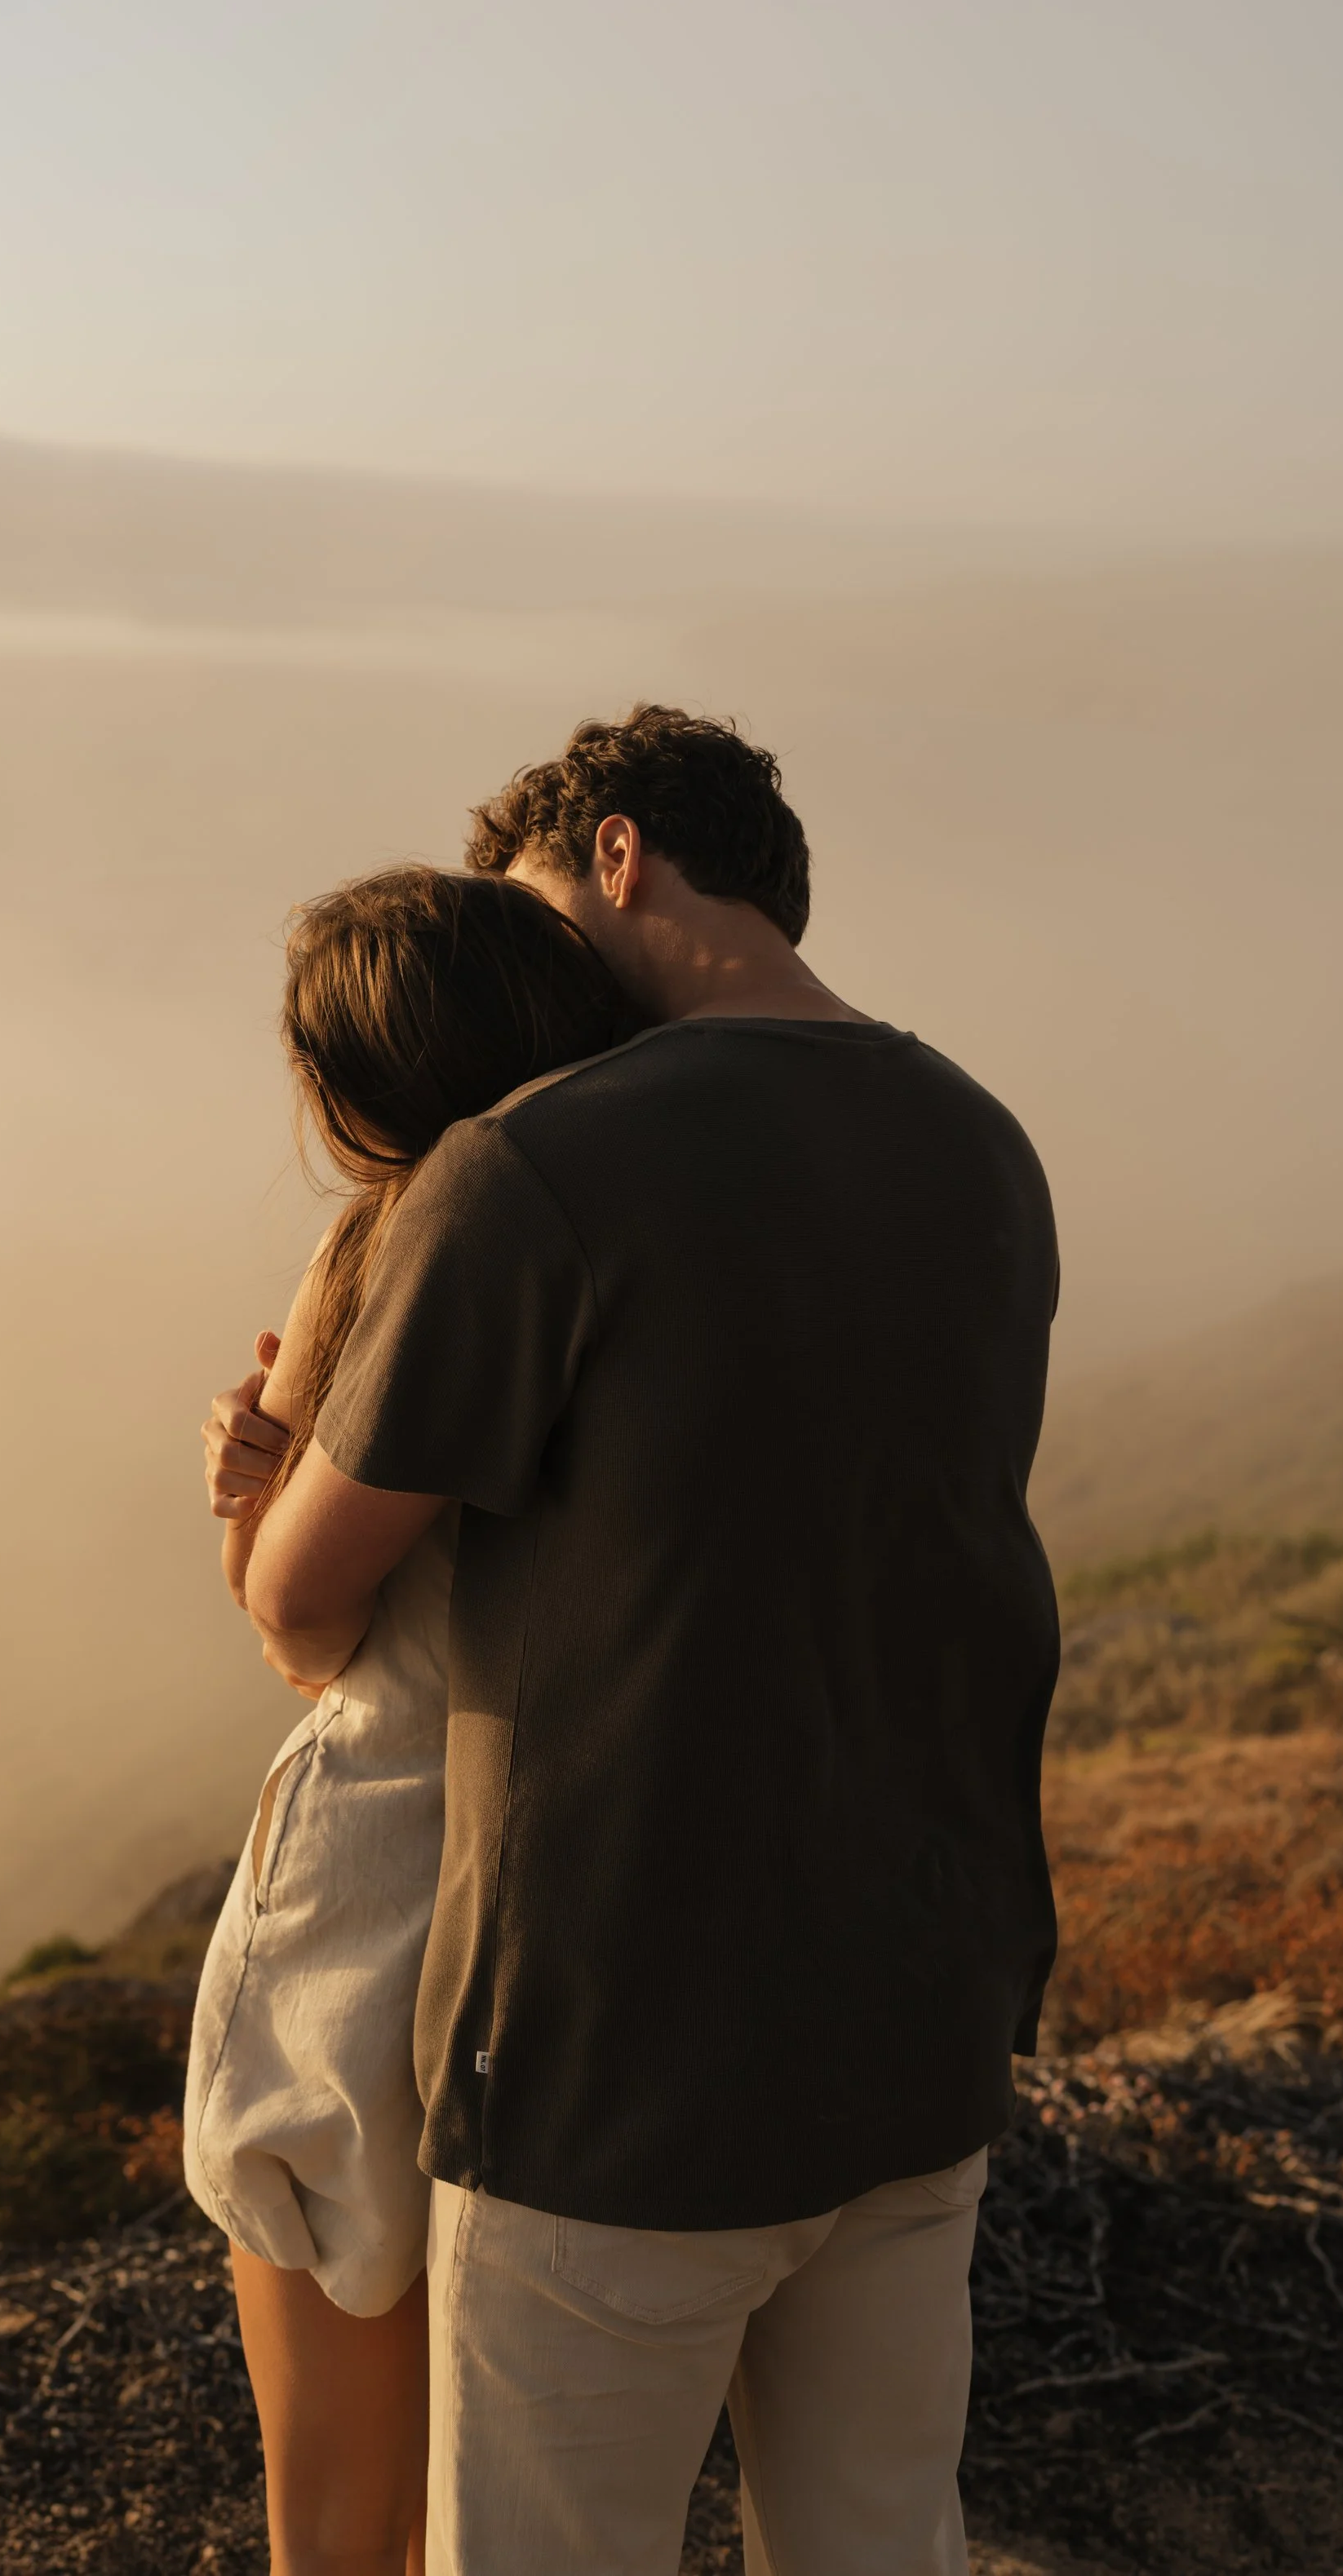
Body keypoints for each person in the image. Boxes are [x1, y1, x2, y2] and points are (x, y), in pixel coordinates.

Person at [225, 704, 1062, 2576]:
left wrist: (257, 1477)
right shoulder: (977, 1143)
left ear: (615, 855)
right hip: (916, 2028)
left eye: (530, 908)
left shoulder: (530, 1164)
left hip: (618, 2066)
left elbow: (298, 1599)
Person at [184, 864, 636, 2576]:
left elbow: (299, 1623)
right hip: (571, 1908)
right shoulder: (657, 1246)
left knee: (337, 2526)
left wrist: (252, 1485)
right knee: (493, 2502)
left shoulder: (389, 1244)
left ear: (350, 1090)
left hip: (367, 1896)